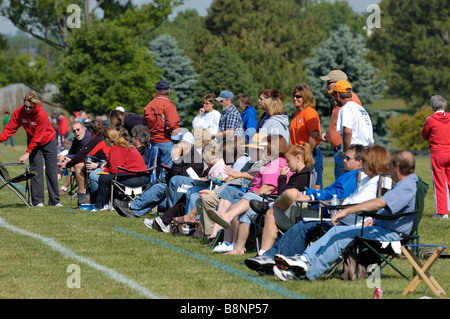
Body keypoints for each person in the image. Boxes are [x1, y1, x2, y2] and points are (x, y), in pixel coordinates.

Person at [272, 150, 417, 281]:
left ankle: (307, 273)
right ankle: (304, 261)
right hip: (382, 227)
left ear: (397, 167)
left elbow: (380, 203)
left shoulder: (406, 186)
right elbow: (392, 209)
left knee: (342, 235)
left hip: (392, 234)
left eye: (391, 166)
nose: (389, 169)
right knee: (337, 231)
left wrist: (347, 211)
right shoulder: (406, 183)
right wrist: (374, 218)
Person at [245, 145, 390, 273]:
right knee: (300, 223)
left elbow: (370, 204)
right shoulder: (365, 179)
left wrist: (314, 196)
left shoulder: (367, 179)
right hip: (339, 215)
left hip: (342, 218)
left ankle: (284, 260)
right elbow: (348, 199)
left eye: (348, 158)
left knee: (301, 221)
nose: (343, 160)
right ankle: (273, 258)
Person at [206, 134, 290, 254]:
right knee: (233, 204)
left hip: (266, 198)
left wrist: (251, 196)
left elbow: (267, 188)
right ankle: (228, 243)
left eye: (265, 148)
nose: (263, 151)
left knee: (236, 208)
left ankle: (235, 242)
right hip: (259, 195)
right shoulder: (273, 163)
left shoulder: (276, 165)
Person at [0, 91, 61, 207]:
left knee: (51, 170)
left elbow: (39, 135)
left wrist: (27, 152)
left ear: (35, 106)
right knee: (35, 171)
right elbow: (9, 130)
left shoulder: (41, 114)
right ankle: (38, 201)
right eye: (25, 106)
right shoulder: (19, 112)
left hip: (48, 141)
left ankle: (55, 201)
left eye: (30, 107)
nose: (27, 109)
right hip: (33, 141)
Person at [92, 128, 150, 211]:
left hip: (136, 178)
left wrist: (104, 170)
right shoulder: (124, 145)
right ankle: (113, 203)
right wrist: (108, 162)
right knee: (111, 178)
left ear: (107, 139)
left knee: (104, 178)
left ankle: (99, 206)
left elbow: (115, 171)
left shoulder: (115, 148)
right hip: (143, 177)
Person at [320, 70, 362, 179]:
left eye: (328, 83)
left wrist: (345, 152)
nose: (326, 86)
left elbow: (350, 129)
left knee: (344, 188)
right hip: (341, 152)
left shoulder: (350, 101)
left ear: (337, 83)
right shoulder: (340, 101)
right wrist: (329, 133)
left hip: (344, 153)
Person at [289, 84, 323, 188]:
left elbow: (314, 133)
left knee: (313, 185)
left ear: (306, 97)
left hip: (310, 155)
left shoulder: (309, 112)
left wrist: (307, 153)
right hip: (299, 155)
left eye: (298, 96)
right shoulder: (297, 113)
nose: (295, 98)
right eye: (294, 96)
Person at [421, 95, 450, 219]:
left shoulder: (430, 119)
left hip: (438, 153)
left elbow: (424, 135)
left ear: (433, 107)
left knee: (439, 182)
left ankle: (442, 212)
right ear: (444, 105)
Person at [143, 80, 181, 171]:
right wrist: (180, 139)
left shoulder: (148, 106)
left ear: (156, 91)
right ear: (169, 90)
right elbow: (173, 125)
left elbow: (144, 125)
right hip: (166, 142)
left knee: (154, 171)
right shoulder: (168, 105)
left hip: (153, 143)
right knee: (166, 171)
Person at [333, 80, 374, 156]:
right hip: (366, 150)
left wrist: (346, 153)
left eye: (333, 94)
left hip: (355, 152)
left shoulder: (346, 108)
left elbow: (347, 131)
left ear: (338, 94)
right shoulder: (360, 108)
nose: (334, 98)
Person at [58, 121, 92, 193]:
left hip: (90, 161)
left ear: (83, 128)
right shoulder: (76, 139)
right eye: (74, 131)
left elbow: (82, 155)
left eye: (78, 129)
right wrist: (64, 157)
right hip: (79, 160)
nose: (76, 132)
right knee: (59, 163)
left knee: (75, 165)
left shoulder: (88, 138)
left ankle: (65, 188)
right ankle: (53, 187)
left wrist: (67, 158)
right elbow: (71, 153)